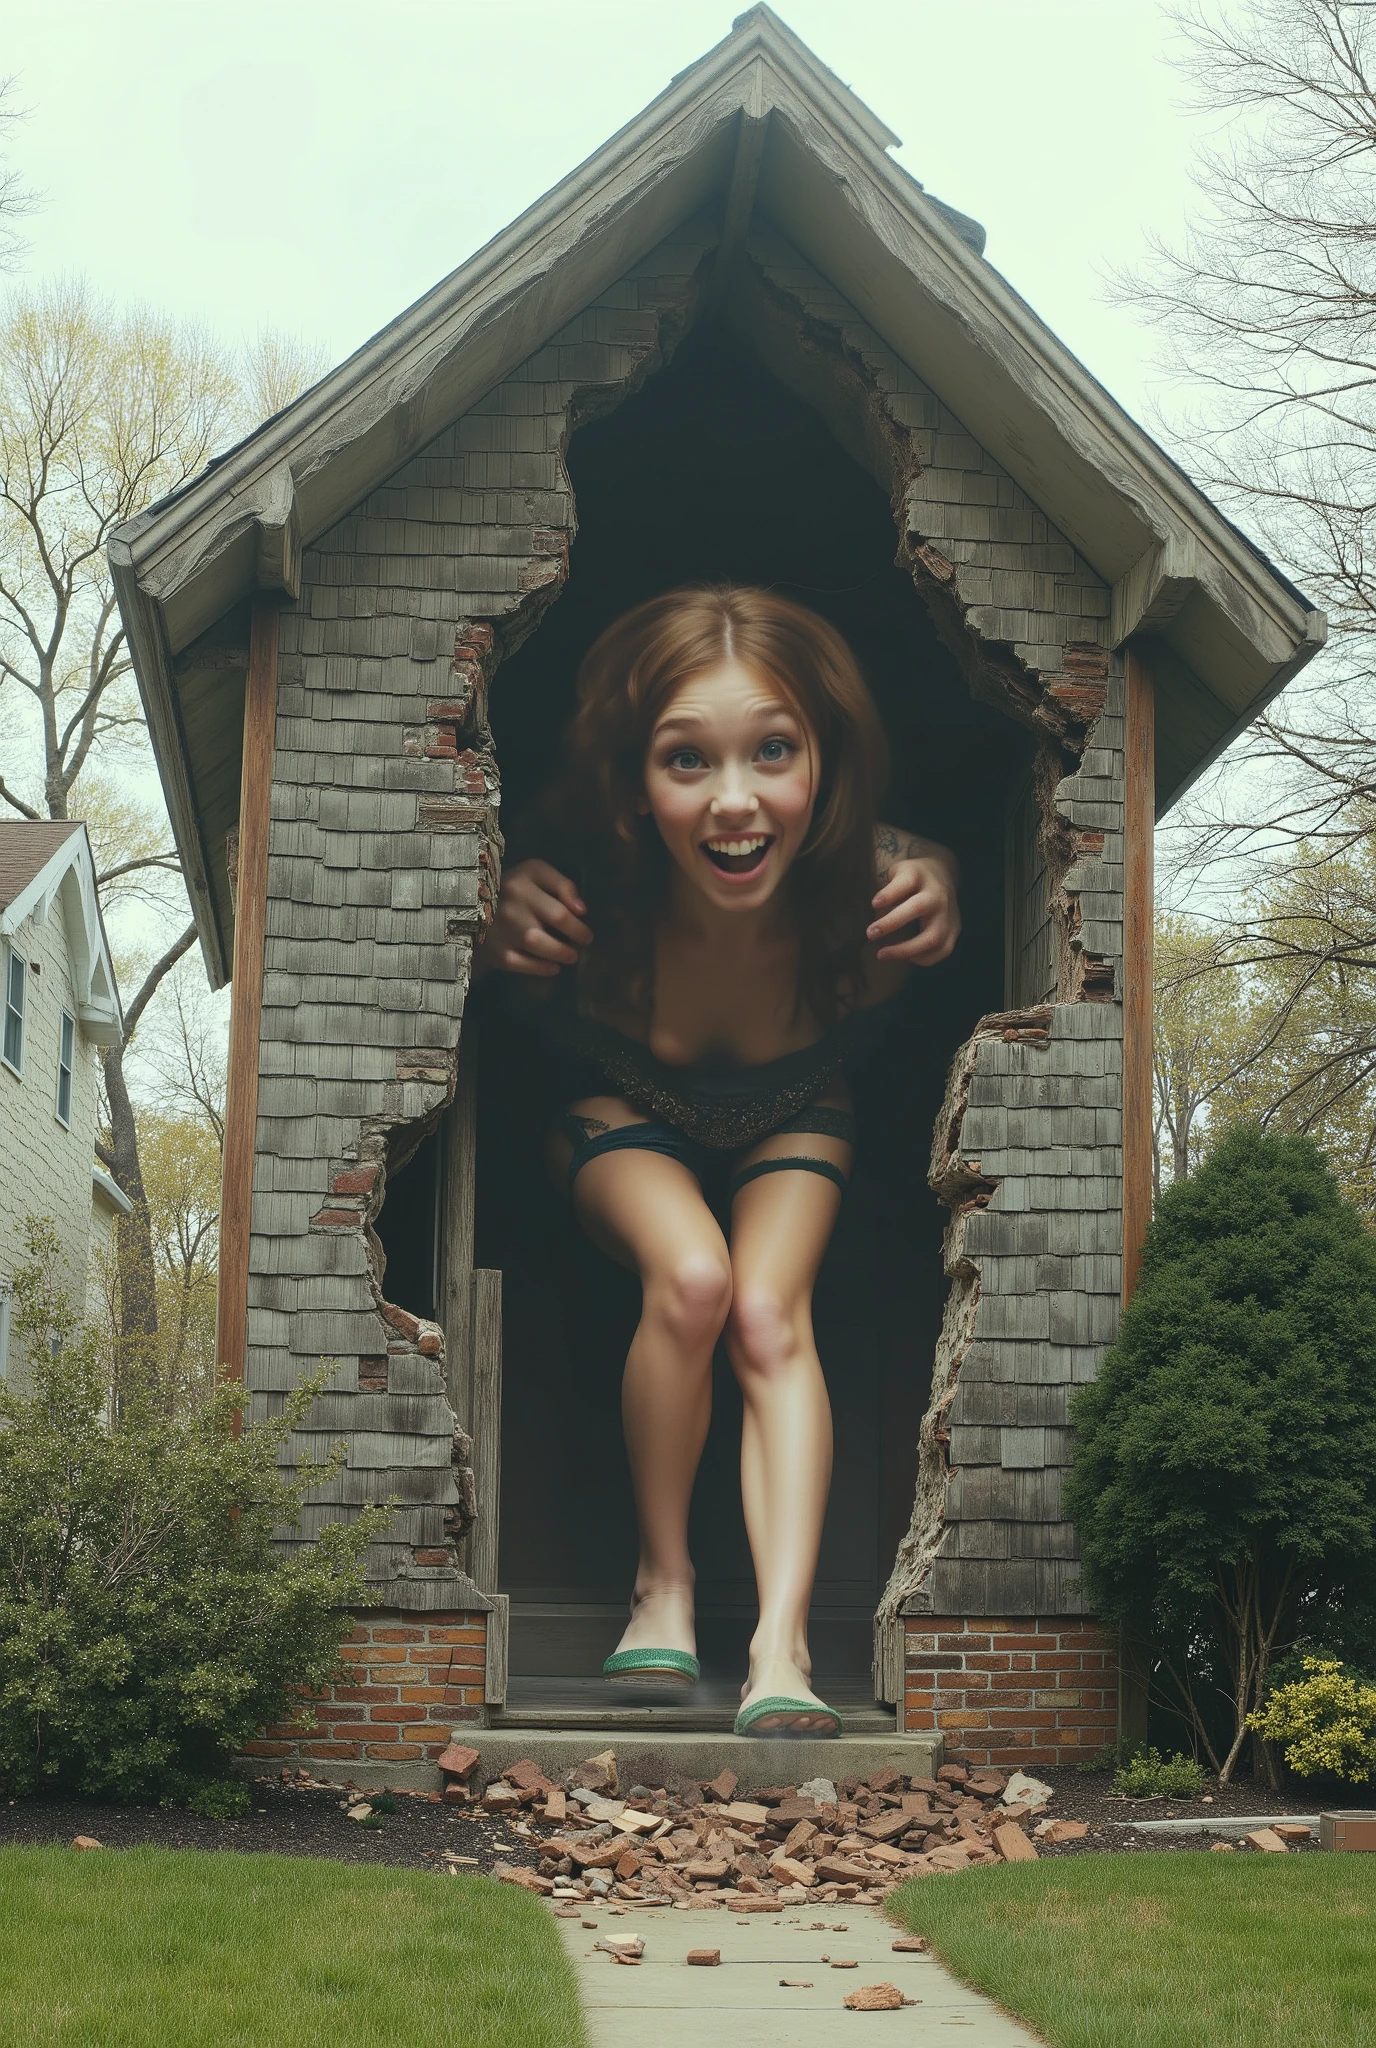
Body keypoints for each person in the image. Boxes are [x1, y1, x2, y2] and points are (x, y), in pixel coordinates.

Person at [473, 586, 959, 1735]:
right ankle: (663, 1584)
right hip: (614, 1105)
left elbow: (946, 846)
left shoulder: (874, 898)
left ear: (825, 763)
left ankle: (779, 1649)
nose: (735, 801)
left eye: (773, 750)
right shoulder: (579, 895)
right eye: (684, 759)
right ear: (633, 783)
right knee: (691, 1280)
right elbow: (460, 910)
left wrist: (941, 865)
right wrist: (477, 913)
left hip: (794, 1106)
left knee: (762, 1310)